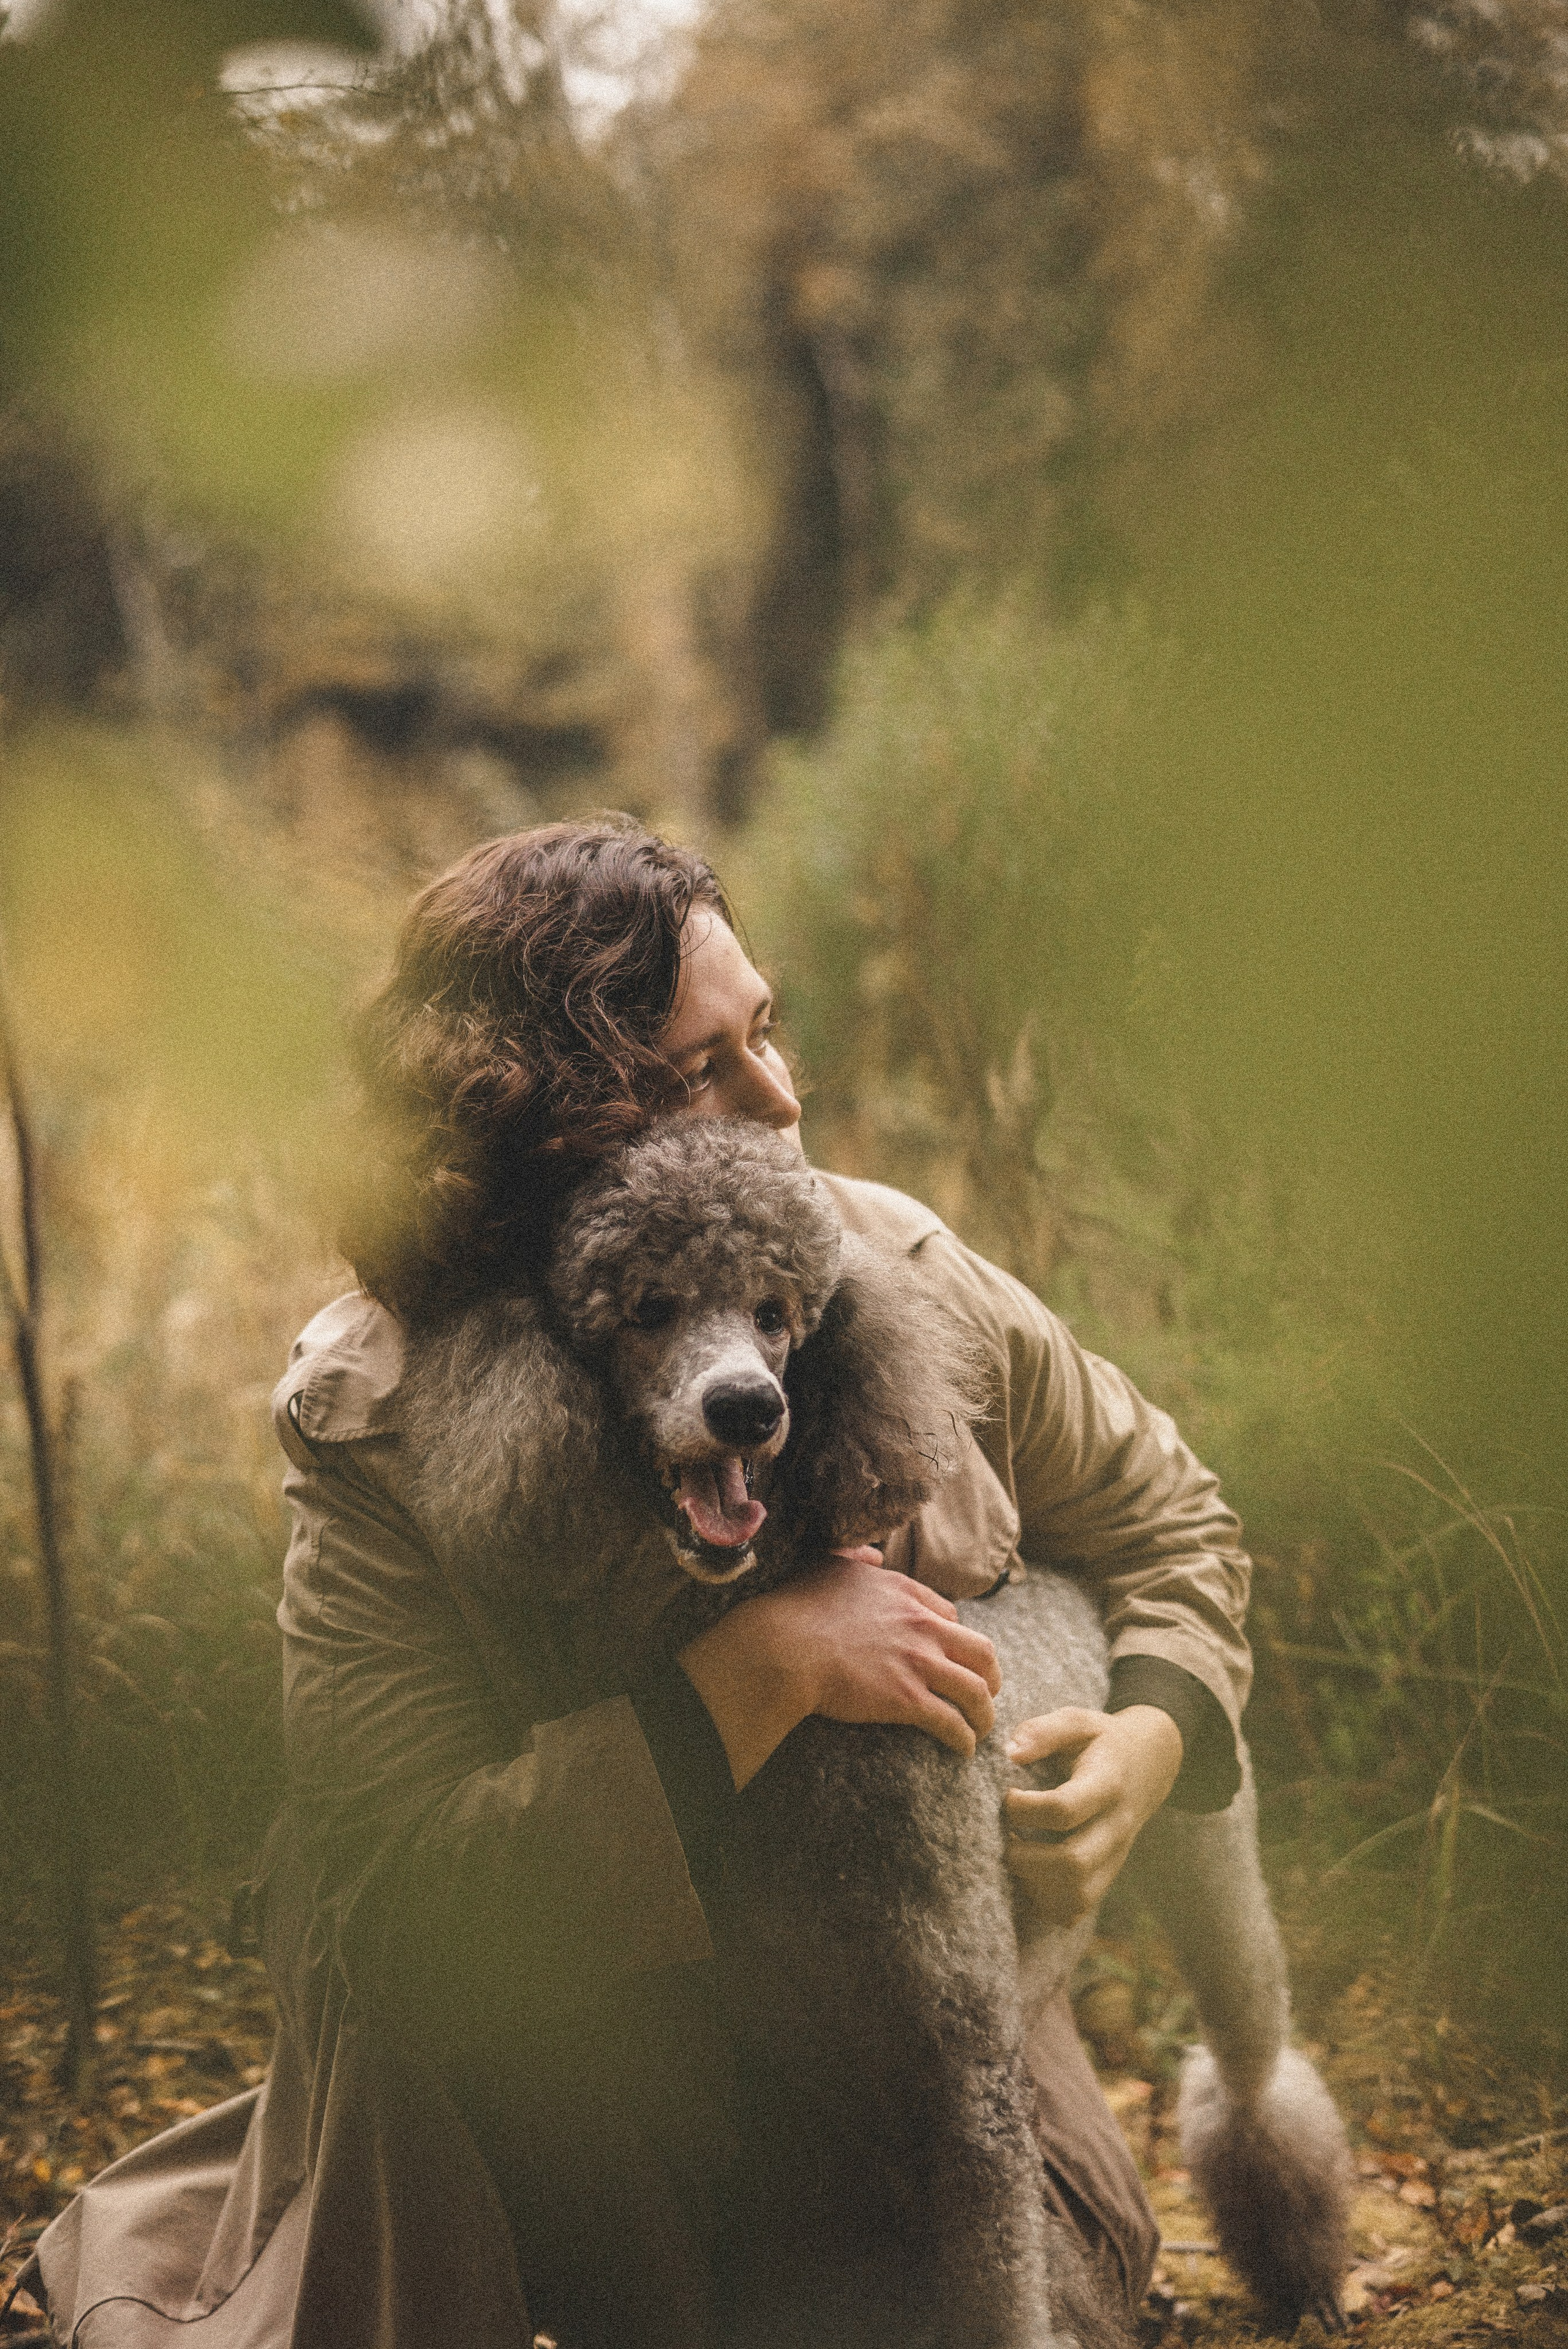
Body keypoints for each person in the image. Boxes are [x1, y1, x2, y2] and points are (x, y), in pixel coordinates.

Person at [25, 818, 1251, 2349]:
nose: (781, 1098)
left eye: (769, 1031)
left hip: (913, 2034)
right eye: (698, 1071)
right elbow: (397, 1900)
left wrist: (1148, 1743)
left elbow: (1171, 1524)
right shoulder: (378, 1411)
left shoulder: (894, 1270)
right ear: (551, 1129)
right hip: (571, 2078)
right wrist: (755, 1672)